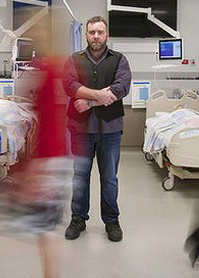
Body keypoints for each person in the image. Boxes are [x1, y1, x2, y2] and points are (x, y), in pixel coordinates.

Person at [63, 16, 131, 242]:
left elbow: (121, 87)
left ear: (106, 35)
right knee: (80, 176)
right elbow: (69, 85)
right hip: (80, 130)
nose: (96, 36)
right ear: (86, 35)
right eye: (92, 32)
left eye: (100, 32)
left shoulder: (119, 60)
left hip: (110, 130)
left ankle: (111, 221)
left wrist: (90, 101)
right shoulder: (74, 59)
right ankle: (78, 219)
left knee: (109, 177)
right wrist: (99, 95)